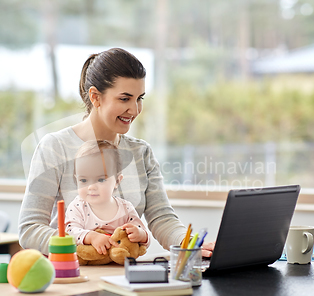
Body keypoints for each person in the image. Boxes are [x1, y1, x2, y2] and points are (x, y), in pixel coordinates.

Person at [19, 47, 214, 257]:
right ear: (95, 97)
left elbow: (161, 218)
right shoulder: (54, 148)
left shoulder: (141, 152)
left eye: (140, 98)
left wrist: (189, 244)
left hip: (127, 277)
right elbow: (30, 229)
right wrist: (85, 243)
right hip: (72, 276)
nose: (135, 109)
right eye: (124, 99)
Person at [65, 140, 150, 255]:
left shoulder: (126, 208)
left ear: (117, 181)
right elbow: (69, 233)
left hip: (118, 267)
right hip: (88, 267)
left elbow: (144, 239)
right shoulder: (77, 207)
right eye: (83, 180)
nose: (91, 187)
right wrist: (92, 237)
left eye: (100, 180)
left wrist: (141, 235)